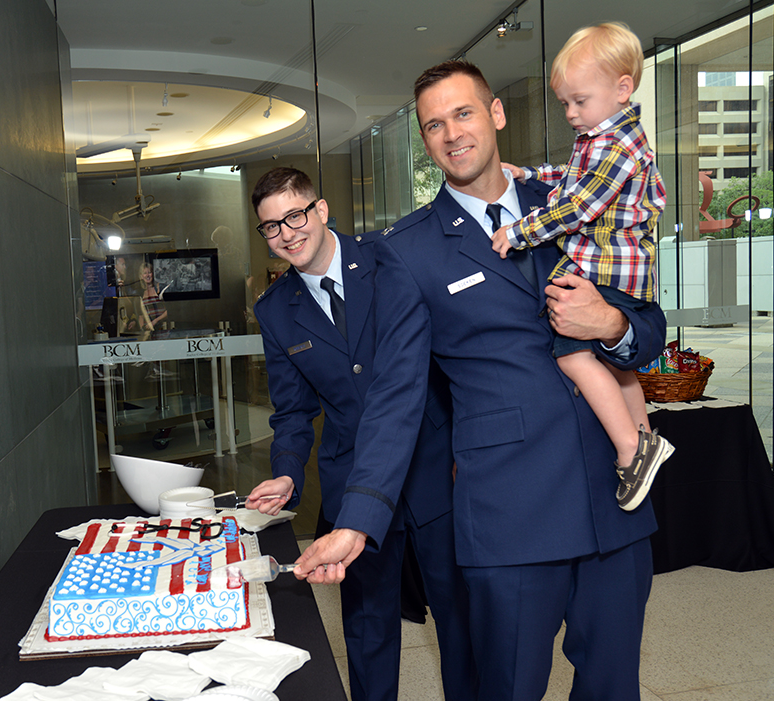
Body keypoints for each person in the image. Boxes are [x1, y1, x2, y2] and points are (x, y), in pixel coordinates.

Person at [297, 60, 667, 700]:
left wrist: (609, 322)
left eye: (463, 113)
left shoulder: (574, 199)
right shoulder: (407, 250)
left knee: (613, 687)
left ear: (495, 114)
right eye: (433, 124)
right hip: (509, 513)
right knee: (507, 688)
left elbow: (648, 325)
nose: (451, 134)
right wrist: (357, 520)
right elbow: (397, 394)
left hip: (615, 500)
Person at [246, 167, 475, 701]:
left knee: (459, 617)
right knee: (368, 629)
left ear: (321, 211)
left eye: (295, 215)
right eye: (271, 226)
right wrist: (285, 471)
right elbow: (292, 410)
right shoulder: (275, 310)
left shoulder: (390, 260)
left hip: (432, 465)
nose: (287, 233)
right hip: (352, 481)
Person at [491, 22, 673, 511]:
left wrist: (519, 231)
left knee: (574, 356)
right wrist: (529, 173)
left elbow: (577, 205)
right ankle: (645, 437)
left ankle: (631, 449)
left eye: (579, 101)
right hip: (616, 273)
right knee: (614, 367)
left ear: (622, 88)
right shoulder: (603, 135)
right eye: (565, 103)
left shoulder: (618, 146)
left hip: (610, 273)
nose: (571, 113)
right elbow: (571, 178)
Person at [137, 261, 168, 329]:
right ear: (141, 276)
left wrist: (155, 321)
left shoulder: (159, 289)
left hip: (163, 328)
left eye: (149, 272)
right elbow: (141, 315)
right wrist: (143, 328)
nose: (147, 275)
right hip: (149, 331)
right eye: (145, 273)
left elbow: (169, 310)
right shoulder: (141, 293)